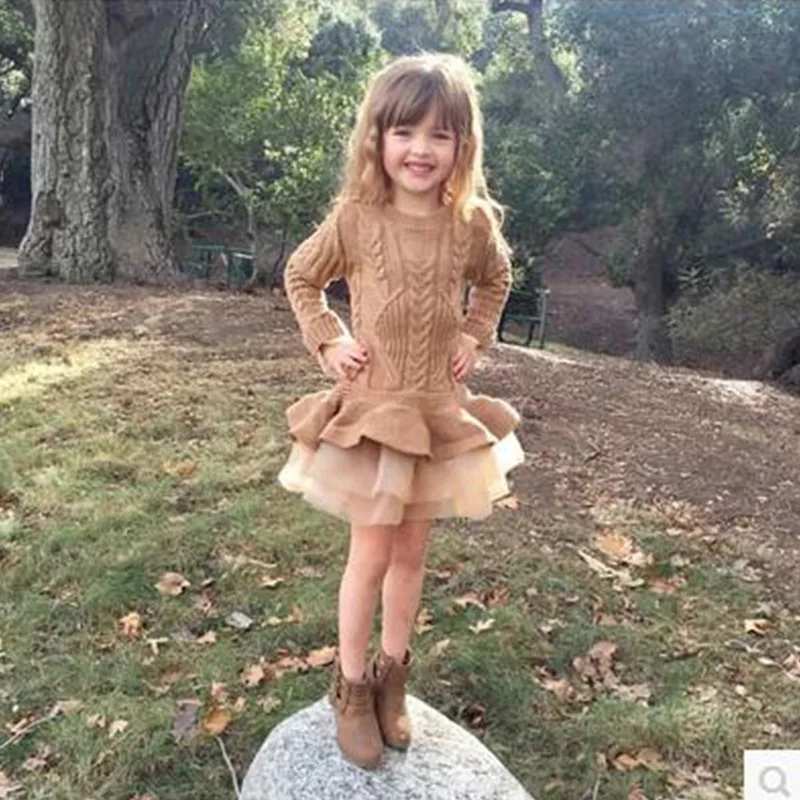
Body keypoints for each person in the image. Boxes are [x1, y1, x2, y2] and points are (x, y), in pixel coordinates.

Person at [278, 52, 524, 769]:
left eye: (439, 134)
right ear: (377, 138)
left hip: (436, 414)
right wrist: (329, 341)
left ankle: (393, 676)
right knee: (371, 555)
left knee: (412, 555)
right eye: (405, 132)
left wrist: (474, 334)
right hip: (376, 416)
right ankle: (352, 687)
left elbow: (497, 277)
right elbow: (301, 275)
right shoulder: (356, 219)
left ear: (462, 145)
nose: (421, 149)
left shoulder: (469, 223)